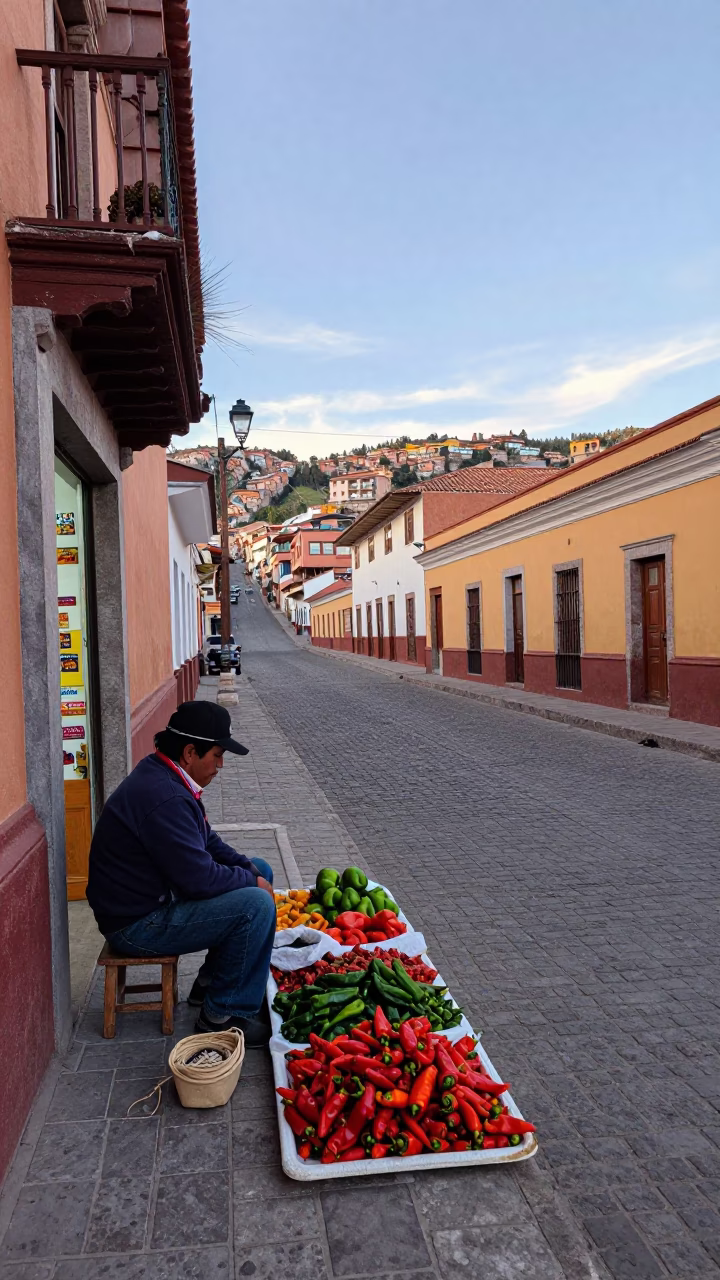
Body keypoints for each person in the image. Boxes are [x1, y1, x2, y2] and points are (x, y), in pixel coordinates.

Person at [86, 700, 276, 1047]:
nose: (220, 765)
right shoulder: (165, 797)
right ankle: (223, 1015)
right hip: (136, 924)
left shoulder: (165, 774)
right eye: (217, 755)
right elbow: (198, 879)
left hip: (153, 897)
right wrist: (252, 884)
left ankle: (210, 985)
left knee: (258, 868)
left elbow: (207, 840)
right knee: (256, 905)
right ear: (190, 752)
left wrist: (248, 869)